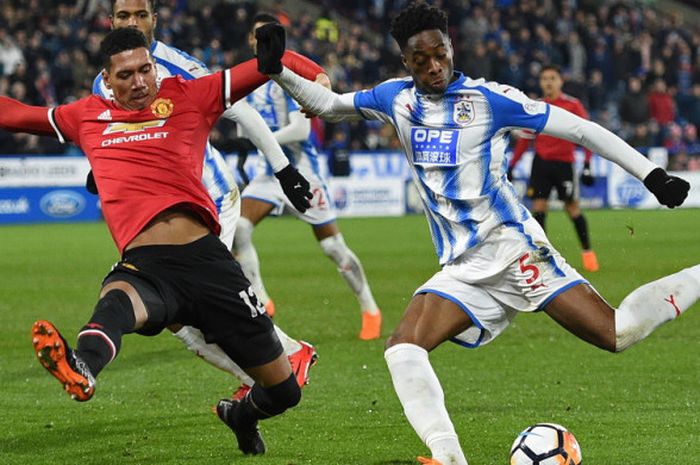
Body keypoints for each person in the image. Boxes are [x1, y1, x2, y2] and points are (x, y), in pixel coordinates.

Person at [254, 4, 697, 464]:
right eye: (420, 59)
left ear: (451, 47)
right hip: (463, 268)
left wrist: (652, 174)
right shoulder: (395, 99)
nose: (433, 66)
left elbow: (581, 131)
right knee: (403, 349)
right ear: (406, 62)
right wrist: (276, 71)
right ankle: (448, 457)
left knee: (617, 333)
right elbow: (329, 105)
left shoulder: (490, 101)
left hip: (513, 250)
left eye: (439, 53)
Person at [3, 26, 324, 454]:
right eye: (125, 75)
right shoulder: (85, 116)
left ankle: (241, 415)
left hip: (209, 263)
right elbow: (15, 113)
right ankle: (83, 367)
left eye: (145, 70)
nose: (138, 82)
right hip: (148, 266)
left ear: (155, 68)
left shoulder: (190, 96)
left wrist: (293, 66)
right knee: (115, 301)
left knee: (284, 391)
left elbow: (260, 68)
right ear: (107, 80)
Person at [91, 0, 318, 402]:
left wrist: (283, 169)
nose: (133, 22)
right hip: (157, 210)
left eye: (140, 15)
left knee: (181, 313)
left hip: (208, 199)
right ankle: (279, 364)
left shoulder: (175, 63)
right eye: (124, 16)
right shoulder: (103, 81)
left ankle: (282, 363)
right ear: (111, 21)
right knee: (178, 314)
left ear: (154, 19)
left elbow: (241, 111)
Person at [232, 13, 382, 341]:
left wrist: (262, 139)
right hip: (269, 173)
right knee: (238, 229)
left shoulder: (284, 77)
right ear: (250, 41)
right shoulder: (247, 84)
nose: (264, 42)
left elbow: (301, 129)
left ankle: (369, 307)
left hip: (302, 172)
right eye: (259, 36)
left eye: (270, 36)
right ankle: (260, 297)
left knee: (332, 247)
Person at [508, 65, 599, 272]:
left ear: (560, 81)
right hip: (541, 164)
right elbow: (525, 139)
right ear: (540, 83)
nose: (548, 82)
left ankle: (587, 252)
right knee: (538, 209)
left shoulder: (573, 105)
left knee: (572, 209)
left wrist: (586, 164)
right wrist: (512, 165)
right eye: (544, 78)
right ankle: (543, 254)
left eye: (552, 78)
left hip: (564, 164)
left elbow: (588, 135)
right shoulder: (535, 107)